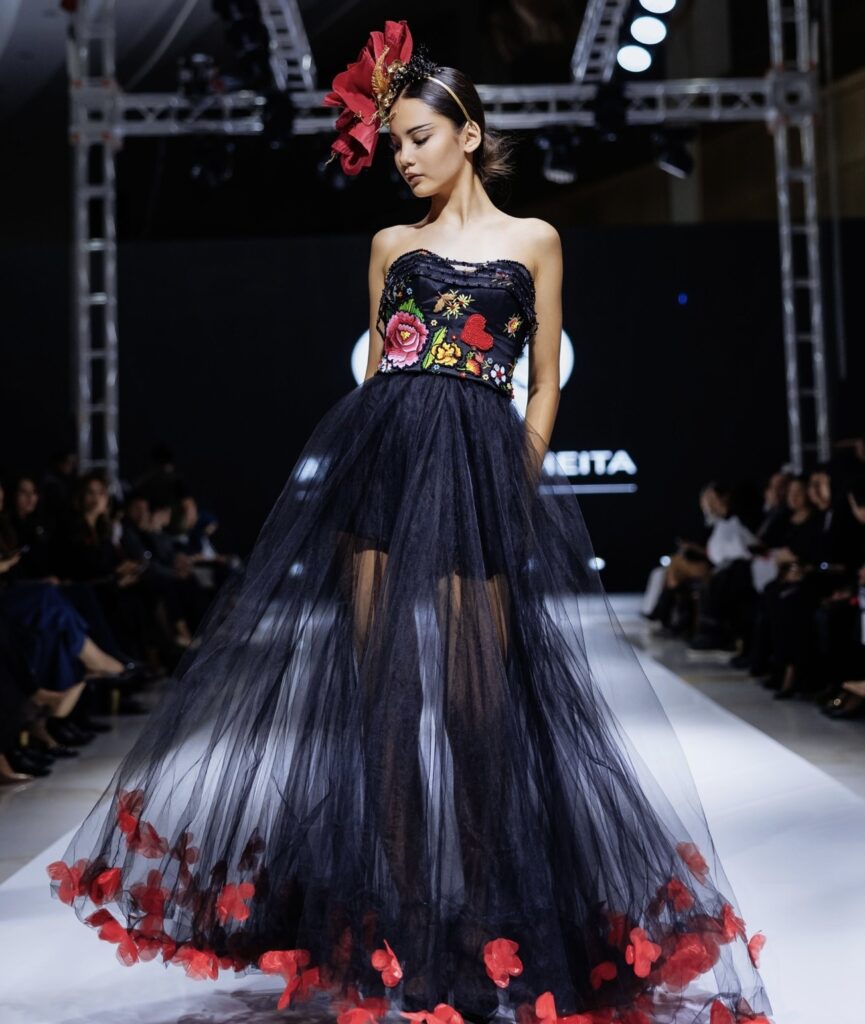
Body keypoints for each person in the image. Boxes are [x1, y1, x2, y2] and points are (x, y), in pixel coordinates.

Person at [46, 21, 775, 1024]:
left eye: (419, 138)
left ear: (468, 134)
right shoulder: (390, 246)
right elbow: (384, 372)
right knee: (384, 711)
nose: (403, 157)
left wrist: (515, 473)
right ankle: (394, 933)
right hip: (384, 466)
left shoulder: (534, 240)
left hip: (476, 470)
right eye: (393, 143)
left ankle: (489, 927)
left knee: (479, 713)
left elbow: (544, 380)